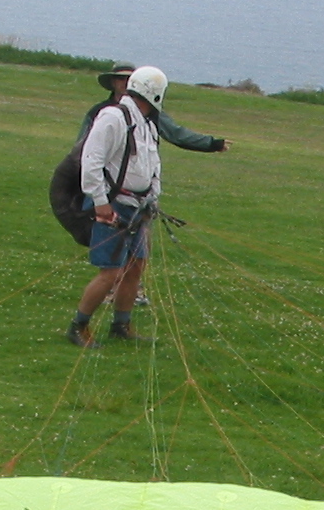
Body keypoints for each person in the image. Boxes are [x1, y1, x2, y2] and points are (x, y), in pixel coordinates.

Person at [66, 65, 230, 345]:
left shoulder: (148, 122)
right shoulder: (112, 117)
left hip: (140, 207)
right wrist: (101, 202)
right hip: (114, 205)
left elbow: (151, 164)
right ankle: (78, 326)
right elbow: (91, 161)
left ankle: (121, 325)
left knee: (136, 267)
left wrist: (152, 196)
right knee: (111, 272)